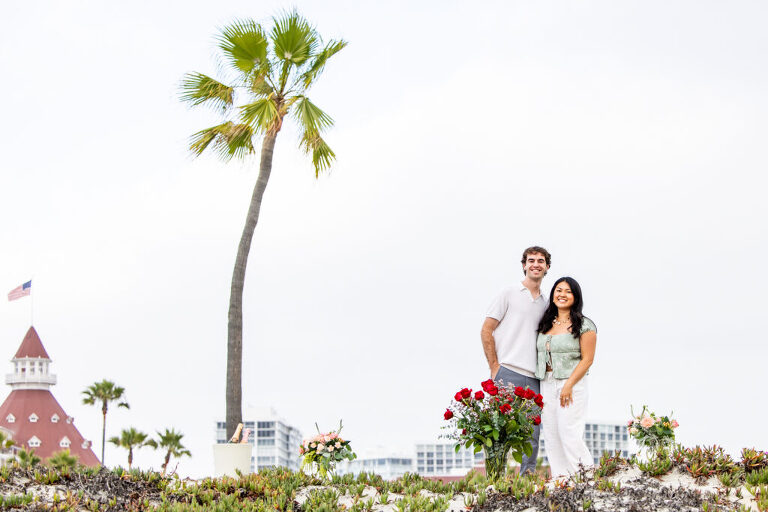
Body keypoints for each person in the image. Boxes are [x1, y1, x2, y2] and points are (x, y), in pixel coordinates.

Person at [481, 246, 551, 475]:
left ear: (547, 267)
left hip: (534, 377)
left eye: (541, 261)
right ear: (524, 265)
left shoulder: (547, 303)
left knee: (532, 433)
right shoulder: (508, 293)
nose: (536, 264)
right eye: (531, 260)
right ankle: (494, 479)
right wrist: (494, 366)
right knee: (498, 430)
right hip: (507, 371)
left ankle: (527, 478)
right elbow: (486, 329)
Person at [535, 276, 596, 478]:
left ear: (575, 296)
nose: (562, 294)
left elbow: (587, 360)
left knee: (569, 432)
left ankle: (586, 478)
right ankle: (562, 480)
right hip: (547, 382)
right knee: (551, 435)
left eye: (568, 291)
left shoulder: (585, 325)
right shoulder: (545, 324)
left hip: (572, 383)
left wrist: (568, 385)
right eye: (559, 290)